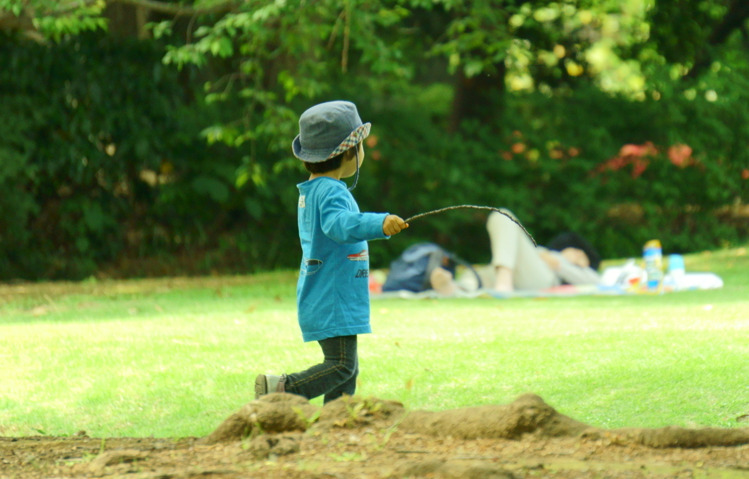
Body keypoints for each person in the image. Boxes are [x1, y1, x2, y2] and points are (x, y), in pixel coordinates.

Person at [255, 100, 408, 402]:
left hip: (326, 293)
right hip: (333, 295)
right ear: (350, 152)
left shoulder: (313, 190)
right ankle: (282, 390)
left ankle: (336, 422)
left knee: (347, 369)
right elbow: (339, 224)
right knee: (340, 365)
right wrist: (380, 223)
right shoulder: (331, 190)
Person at [430, 210, 601, 294]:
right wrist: (543, 253)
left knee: (503, 215)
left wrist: (562, 264)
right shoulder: (544, 252)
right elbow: (530, 252)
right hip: (518, 268)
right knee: (477, 275)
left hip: (541, 279)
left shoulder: (572, 265)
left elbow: (597, 282)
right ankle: (455, 289)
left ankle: (504, 283)